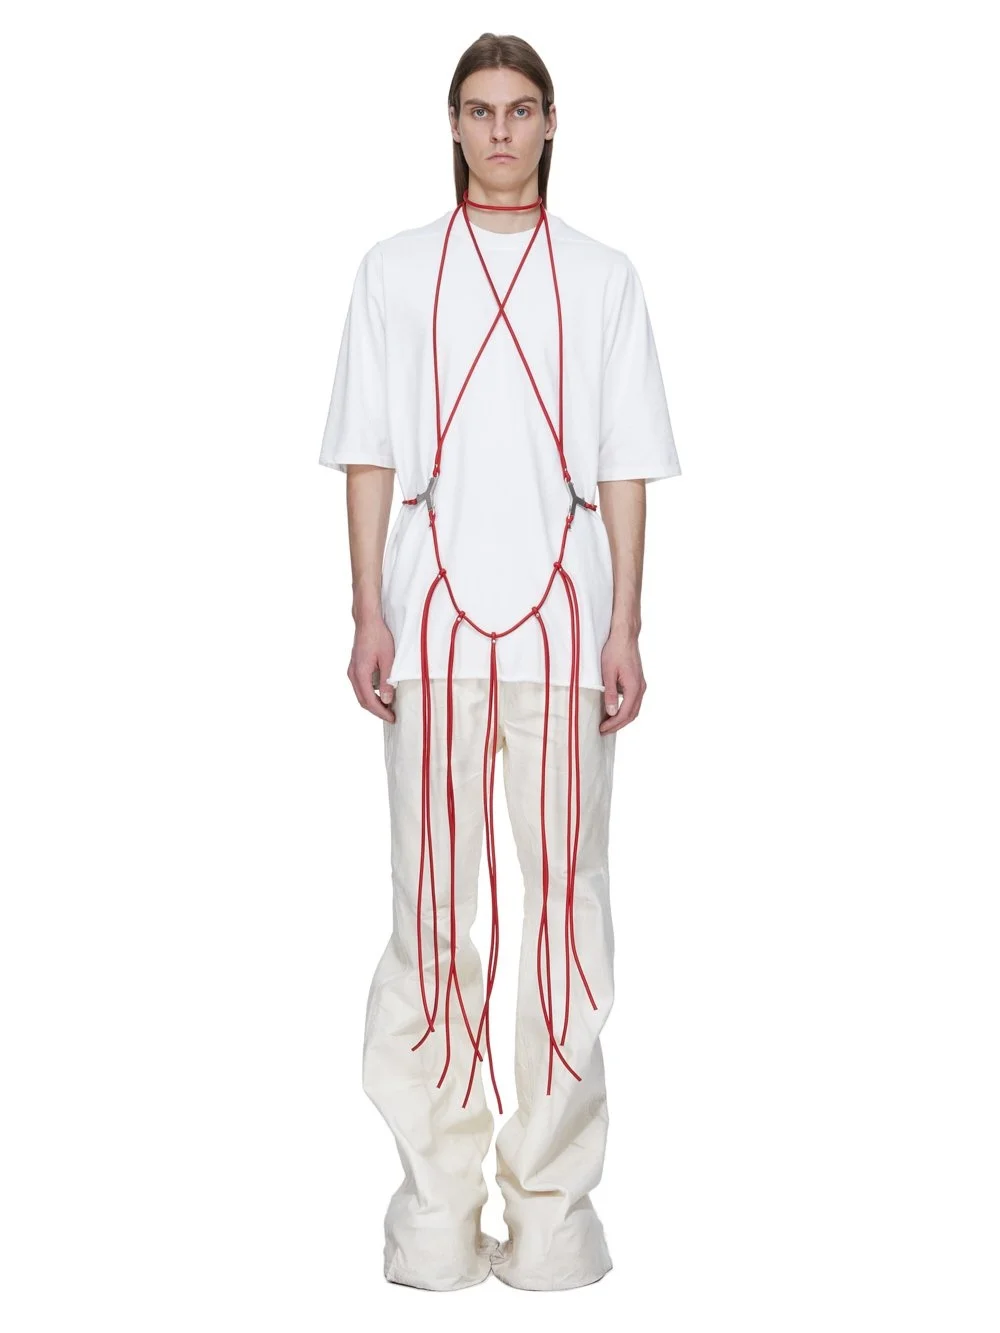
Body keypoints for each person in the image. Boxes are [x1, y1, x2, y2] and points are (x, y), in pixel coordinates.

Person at [318, 32, 681, 1292]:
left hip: (568, 632)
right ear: (453, 124)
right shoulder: (392, 271)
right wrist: (363, 609)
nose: (501, 132)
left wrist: (628, 623)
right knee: (429, 914)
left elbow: (625, 462)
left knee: (566, 917)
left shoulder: (604, 277)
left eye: (521, 110)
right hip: (425, 629)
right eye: (480, 111)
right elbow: (369, 449)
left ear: (551, 121)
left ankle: (551, 1216)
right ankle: (434, 1213)